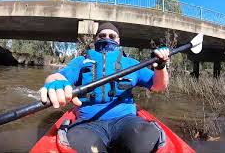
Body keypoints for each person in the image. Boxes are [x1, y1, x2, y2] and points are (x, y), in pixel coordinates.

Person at [39, 22, 170, 153]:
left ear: (118, 40)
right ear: (96, 39)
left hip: (126, 121)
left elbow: (158, 86)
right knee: (77, 142)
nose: (107, 38)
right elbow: (57, 76)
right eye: (102, 35)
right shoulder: (80, 61)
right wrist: (55, 83)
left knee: (146, 136)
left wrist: (161, 67)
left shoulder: (132, 63)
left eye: (112, 36)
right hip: (87, 123)